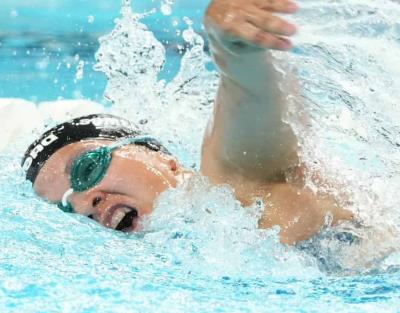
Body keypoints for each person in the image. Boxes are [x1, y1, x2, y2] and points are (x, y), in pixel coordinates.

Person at [23, 0, 365, 254]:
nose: (87, 202)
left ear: (157, 155)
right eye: (68, 209)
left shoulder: (231, 190)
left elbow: (250, 95)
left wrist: (232, 46)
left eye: (87, 169)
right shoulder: (192, 249)